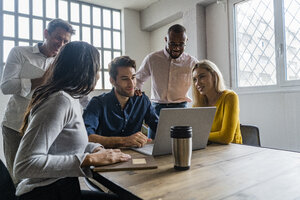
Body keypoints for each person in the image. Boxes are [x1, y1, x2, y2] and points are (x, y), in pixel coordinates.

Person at [14, 41, 131, 200]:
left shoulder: (71, 98)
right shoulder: (59, 101)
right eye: (96, 70)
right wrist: (88, 159)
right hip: (45, 193)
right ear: (84, 71)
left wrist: (96, 149)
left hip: (64, 187)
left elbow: (67, 145)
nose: (97, 76)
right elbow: (24, 165)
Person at [1, 18, 74, 184]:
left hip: (44, 128)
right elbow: (6, 87)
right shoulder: (20, 52)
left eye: (65, 41)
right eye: (57, 38)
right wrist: (40, 80)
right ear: (46, 34)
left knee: (39, 179)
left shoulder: (61, 63)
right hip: (15, 125)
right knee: (18, 178)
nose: (60, 44)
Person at [135, 24, 198, 138]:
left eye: (181, 44)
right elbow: (138, 78)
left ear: (186, 41)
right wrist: (138, 93)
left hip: (181, 108)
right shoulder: (152, 58)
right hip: (157, 109)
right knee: (154, 144)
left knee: (181, 141)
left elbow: (199, 83)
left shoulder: (192, 62)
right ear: (166, 40)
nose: (176, 48)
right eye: (172, 43)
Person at [83, 56, 158, 144]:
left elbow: (158, 126)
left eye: (133, 77)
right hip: (106, 154)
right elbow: (86, 136)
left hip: (137, 154)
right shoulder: (97, 103)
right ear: (112, 81)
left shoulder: (142, 100)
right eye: (125, 79)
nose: (131, 84)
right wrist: (124, 141)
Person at [192, 59, 242, 144]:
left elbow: (226, 137)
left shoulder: (230, 97)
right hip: (209, 150)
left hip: (232, 151)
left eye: (202, 77)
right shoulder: (197, 105)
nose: (197, 83)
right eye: (195, 79)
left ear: (214, 76)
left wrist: (198, 136)